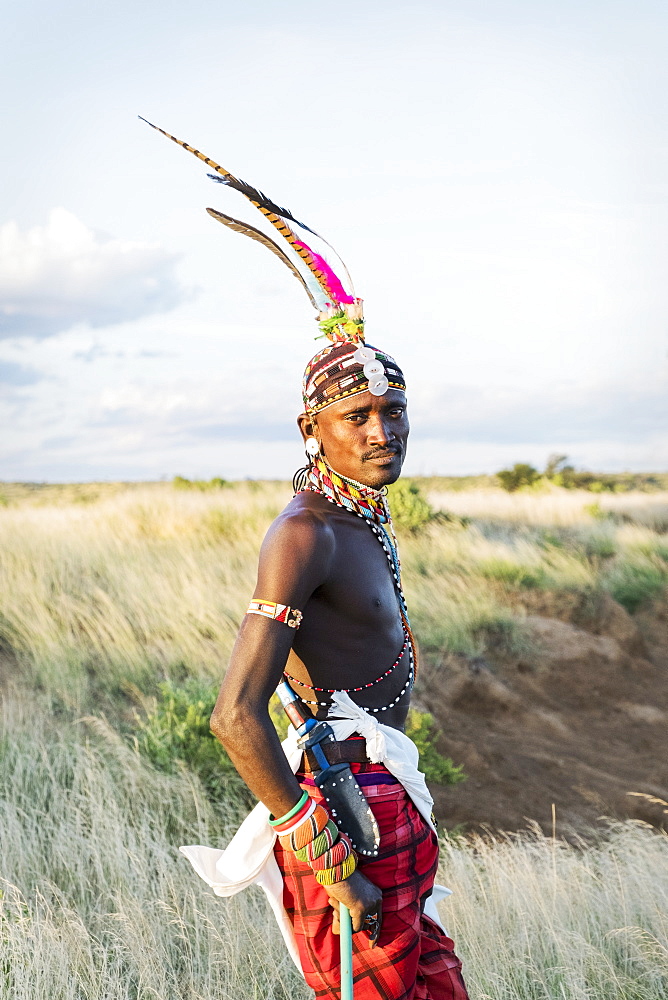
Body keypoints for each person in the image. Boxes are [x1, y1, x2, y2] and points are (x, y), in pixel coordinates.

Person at [142, 119, 470, 1000]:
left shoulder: (361, 513)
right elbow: (234, 716)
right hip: (345, 818)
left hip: (382, 793)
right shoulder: (305, 533)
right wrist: (329, 860)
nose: (380, 431)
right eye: (355, 416)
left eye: (392, 411)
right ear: (310, 431)